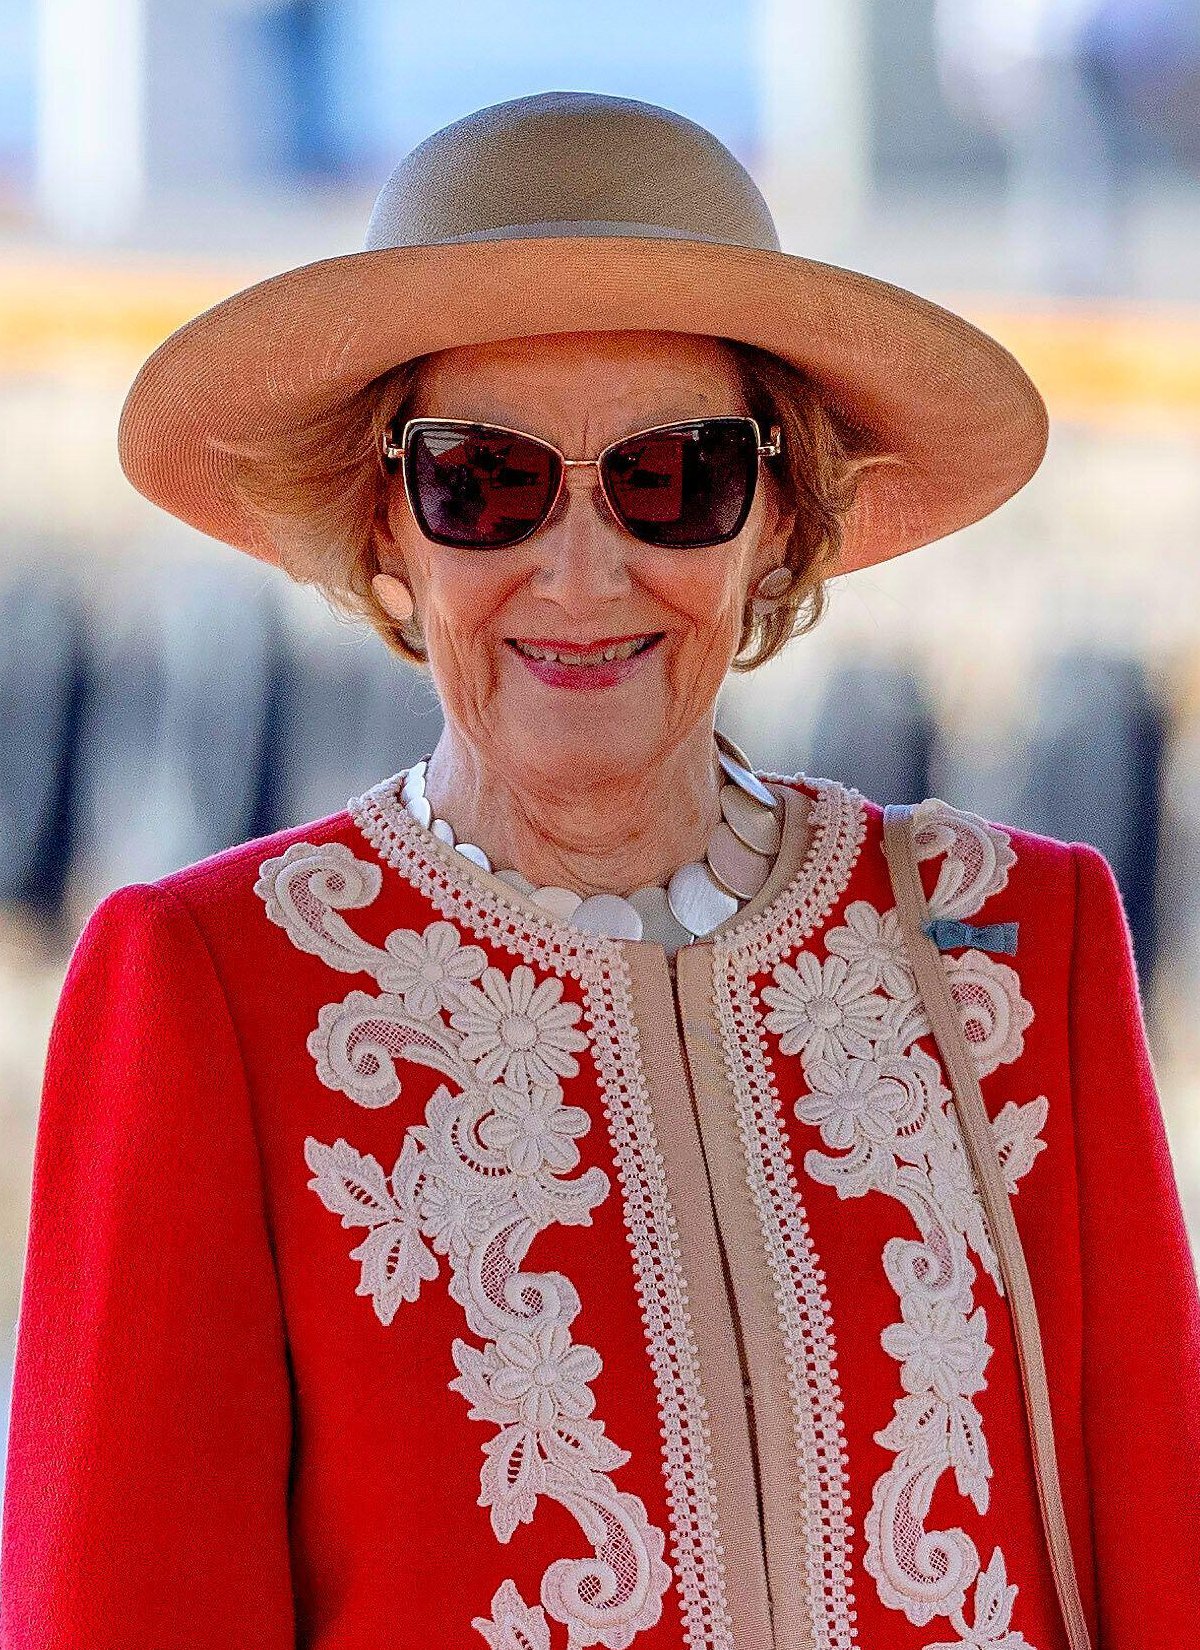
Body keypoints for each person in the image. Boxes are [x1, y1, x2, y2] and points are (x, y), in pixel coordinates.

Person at [2, 89, 1197, 1650]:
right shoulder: (213, 989)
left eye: (675, 474)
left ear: (780, 519)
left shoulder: (1018, 946)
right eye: (483, 479)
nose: (580, 574)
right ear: (386, 527)